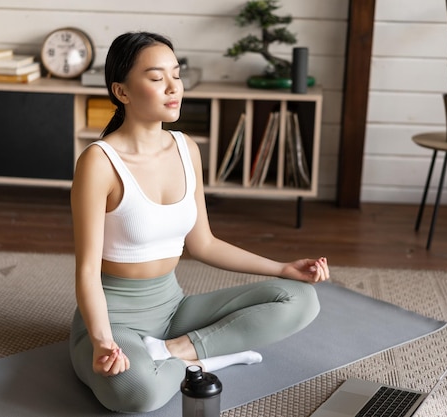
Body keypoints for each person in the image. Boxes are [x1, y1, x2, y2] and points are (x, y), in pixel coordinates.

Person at [69, 31, 329, 414]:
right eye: (157, 78)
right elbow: (87, 272)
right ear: (122, 92)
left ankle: (179, 351)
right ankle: (206, 357)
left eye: (177, 74)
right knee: (136, 394)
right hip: (116, 319)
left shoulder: (186, 148)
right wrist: (103, 341)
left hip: (174, 310)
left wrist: (282, 268)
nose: (174, 87)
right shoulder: (99, 162)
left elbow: (203, 243)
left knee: (301, 299)